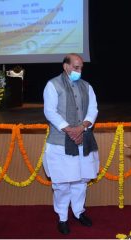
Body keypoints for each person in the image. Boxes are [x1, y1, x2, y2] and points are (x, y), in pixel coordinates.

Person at [42, 53, 100, 235]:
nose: (79, 71)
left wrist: (82, 127)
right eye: (76, 67)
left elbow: (93, 109)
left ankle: (78, 212)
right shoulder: (52, 85)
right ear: (66, 66)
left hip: (83, 138)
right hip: (60, 141)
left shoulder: (86, 86)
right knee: (62, 183)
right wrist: (70, 129)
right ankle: (62, 217)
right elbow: (50, 112)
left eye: (81, 67)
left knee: (81, 180)